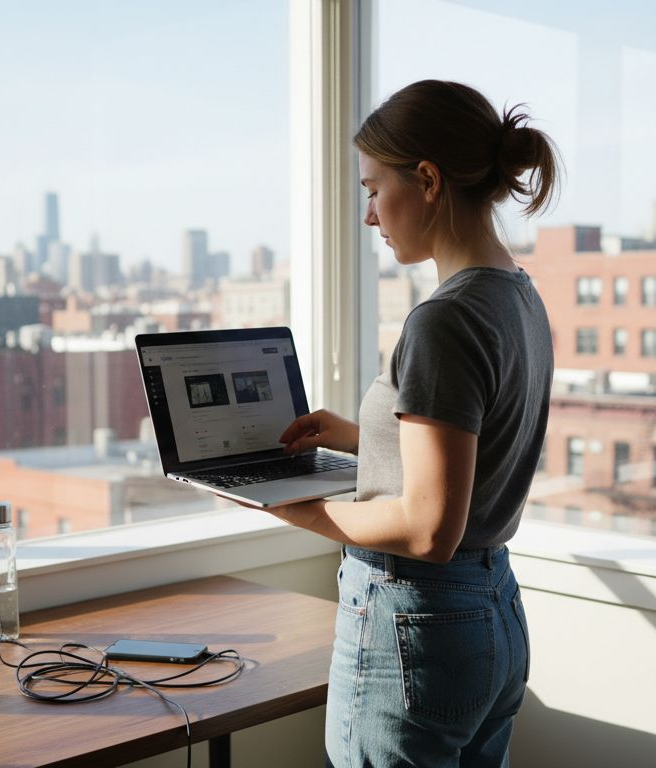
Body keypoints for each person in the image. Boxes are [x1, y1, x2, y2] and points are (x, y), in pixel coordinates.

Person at [266, 79, 559, 767]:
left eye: (374, 189)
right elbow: (475, 443)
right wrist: (357, 435)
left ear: (427, 180)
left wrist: (291, 507)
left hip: (416, 621)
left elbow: (429, 528)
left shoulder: (444, 320)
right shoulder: (517, 295)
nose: (369, 215)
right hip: (494, 607)